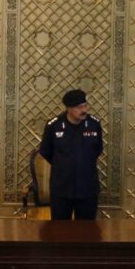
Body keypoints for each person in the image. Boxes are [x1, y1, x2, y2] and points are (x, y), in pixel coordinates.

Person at [38, 88, 104, 220]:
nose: (84, 110)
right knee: (60, 232)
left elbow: (97, 149)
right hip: (62, 188)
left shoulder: (94, 124)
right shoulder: (54, 126)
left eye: (85, 106)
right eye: (79, 107)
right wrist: (63, 164)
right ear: (68, 108)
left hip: (87, 187)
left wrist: (82, 162)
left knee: (87, 231)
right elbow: (46, 151)